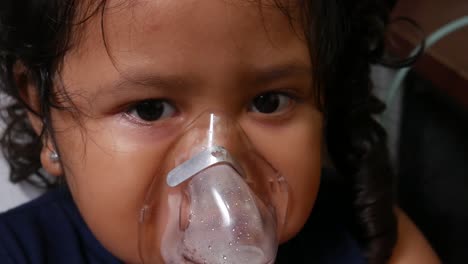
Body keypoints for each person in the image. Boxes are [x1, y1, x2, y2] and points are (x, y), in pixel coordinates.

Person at [0, 0, 439, 263]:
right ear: (43, 110)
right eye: (150, 109)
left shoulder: (374, 240)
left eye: (270, 101)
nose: (220, 162)